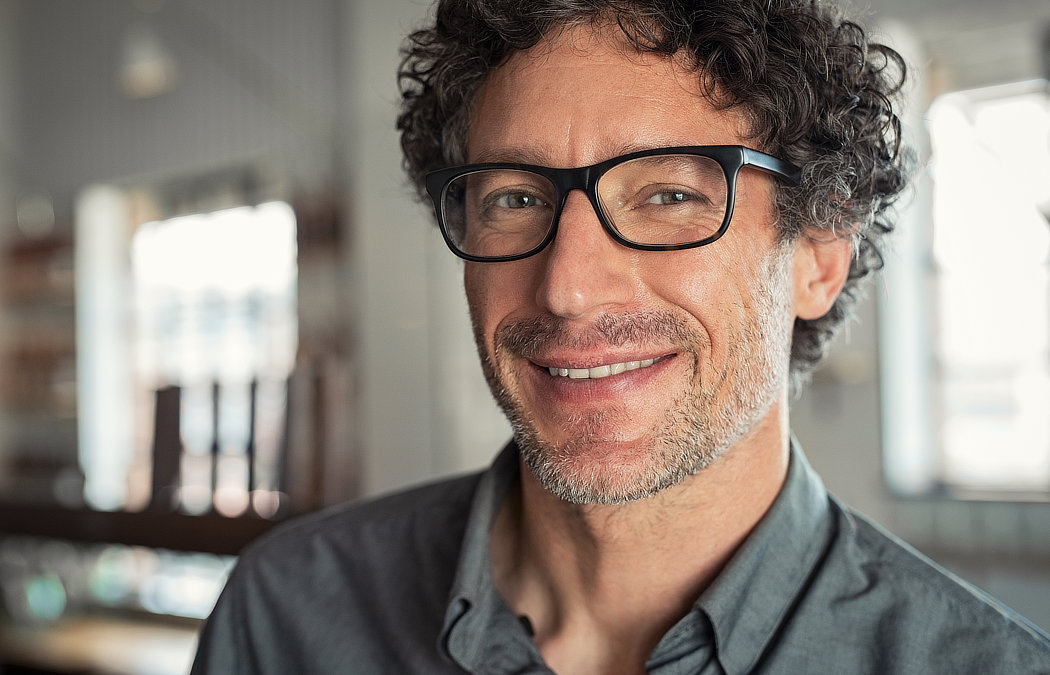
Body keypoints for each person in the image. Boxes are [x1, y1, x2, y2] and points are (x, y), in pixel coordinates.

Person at [191, 0, 1050, 672]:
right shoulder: (289, 615)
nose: (566, 288)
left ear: (818, 260)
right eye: (515, 199)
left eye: (669, 195)